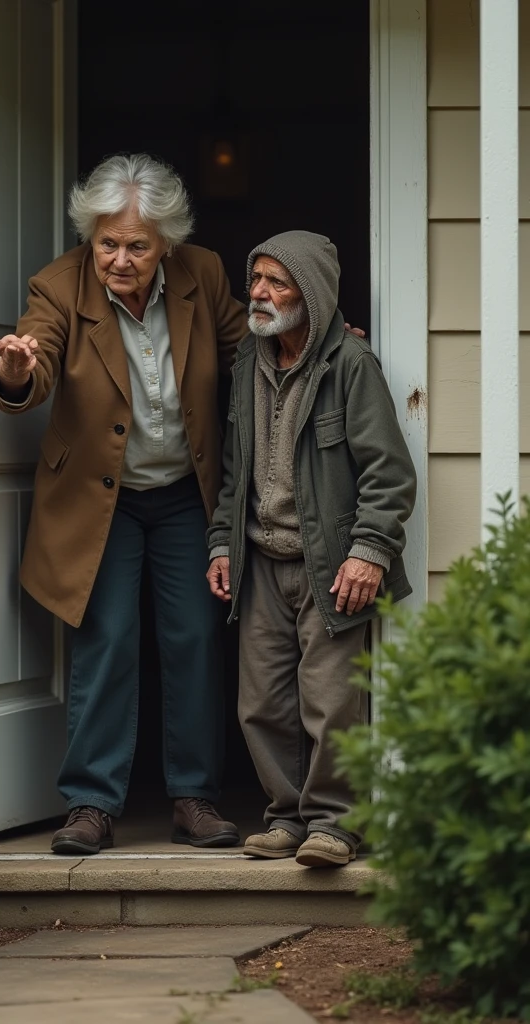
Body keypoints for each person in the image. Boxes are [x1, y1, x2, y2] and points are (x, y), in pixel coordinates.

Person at [0, 154, 249, 855]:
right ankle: (91, 805)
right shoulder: (59, 287)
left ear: (166, 244)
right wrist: (13, 367)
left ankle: (193, 796)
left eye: (136, 245)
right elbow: (31, 366)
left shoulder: (204, 275)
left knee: (193, 638)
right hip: (103, 500)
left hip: (187, 494)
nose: (118, 259)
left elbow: (249, 350)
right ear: (89, 237)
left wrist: (319, 350)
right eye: (106, 242)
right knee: (106, 641)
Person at [207, 230, 417, 868]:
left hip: (332, 566)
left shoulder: (351, 365)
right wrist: (222, 541)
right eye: (257, 280)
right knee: (262, 701)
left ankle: (336, 823)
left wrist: (370, 551)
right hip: (261, 560)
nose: (261, 294)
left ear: (314, 293)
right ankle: (286, 817)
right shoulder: (248, 360)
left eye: (277, 281)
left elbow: (389, 472)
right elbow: (232, 471)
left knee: (331, 700)